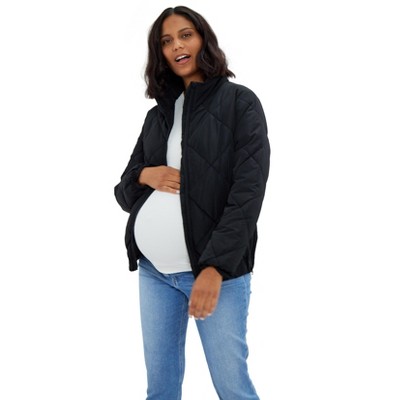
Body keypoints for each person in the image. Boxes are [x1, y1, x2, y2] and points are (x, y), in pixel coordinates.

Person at [114, 5, 270, 399]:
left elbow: (248, 193)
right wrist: (145, 175)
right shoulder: (158, 116)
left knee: (232, 388)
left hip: (215, 274)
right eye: (166, 41)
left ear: (203, 39)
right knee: (160, 390)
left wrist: (215, 267)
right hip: (154, 274)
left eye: (185, 35)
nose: (177, 46)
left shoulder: (239, 103)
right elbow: (124, 192)